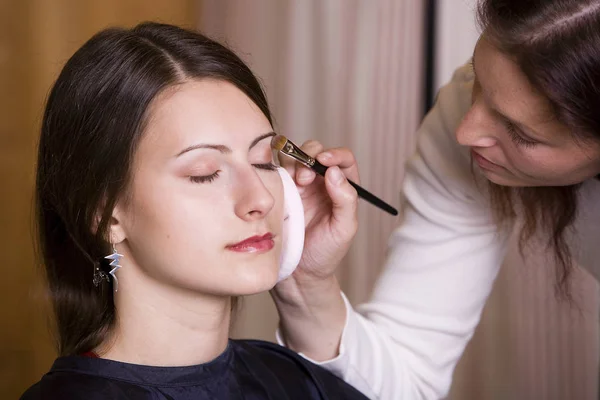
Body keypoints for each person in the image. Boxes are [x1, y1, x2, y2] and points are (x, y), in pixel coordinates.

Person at [20, 22, 368, 400]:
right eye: (205, 173)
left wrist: (306, 278)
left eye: (264, 161)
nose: (261, 200)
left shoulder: (301, 382)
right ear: (106, 213)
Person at [271, 0, 600, 398]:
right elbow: (407, 378)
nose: (466, 131)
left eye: (521, 133)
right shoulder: (471, 124)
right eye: (477, 77)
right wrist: (304, 282)